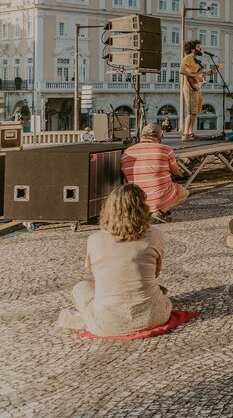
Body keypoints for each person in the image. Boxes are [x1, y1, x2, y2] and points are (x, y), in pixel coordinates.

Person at [58, 184, 173, 336]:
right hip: (154, 316)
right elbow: (156, 273)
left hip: (107, 322)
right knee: (156, 287)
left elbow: (97, 276)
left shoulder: (95, 239)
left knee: (81, 287)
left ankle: (83, 320)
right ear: (142, 208)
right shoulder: (156, 234)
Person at [120, 123, 187, 222]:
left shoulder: (126, 153)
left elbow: (125, 176)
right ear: (159, 137)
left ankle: (146, 211)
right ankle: (158, 211)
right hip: (159, 196)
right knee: (184, 193)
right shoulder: (165, 149)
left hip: (136, 198)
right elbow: (176, 171)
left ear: (141, 136)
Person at [179, 39, 221, 141]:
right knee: (190, 111)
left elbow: (201, 75)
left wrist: (213, 70)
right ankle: (185, 134)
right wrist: (195, 76)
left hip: (197, 88)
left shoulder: (196, 61)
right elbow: (182, 71)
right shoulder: (187, 58)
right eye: (198, 47)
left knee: (195, 112)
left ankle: (190, 132)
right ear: (193, 49)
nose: (200, 48)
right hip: (189, 87)